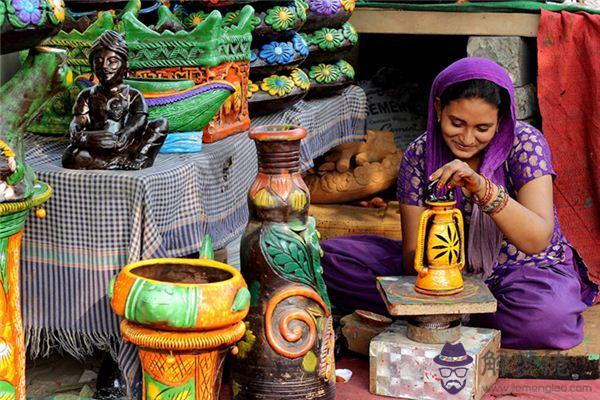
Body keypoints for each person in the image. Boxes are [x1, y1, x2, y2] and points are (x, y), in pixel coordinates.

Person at [321, 57, 598, 350]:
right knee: (328, 260)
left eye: (482, 128)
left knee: (547, 318)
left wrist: (482, 189)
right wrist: (447, 281)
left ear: (501, 120)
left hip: (522, 272)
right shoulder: (420, 154)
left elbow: (536, 238)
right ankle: (452, 314)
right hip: (443, 272)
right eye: (456, 123)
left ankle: (434, 320)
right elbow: (412, 258)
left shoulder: (524, 145)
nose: (467, 138)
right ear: (439, 109)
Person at [63, 30, 168, 170]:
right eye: (98, 61)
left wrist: (128, 132)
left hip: (126, 144)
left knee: (161, 124)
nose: (104, 66)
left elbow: (140, 120)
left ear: (125, 66)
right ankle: (116, 162)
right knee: (71, 156)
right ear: (92, 66)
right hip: (96, 146)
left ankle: (141, 158)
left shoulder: (133, 94)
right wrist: (81, 136)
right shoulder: (87, 95)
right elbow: (78, 122)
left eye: (112, 62)